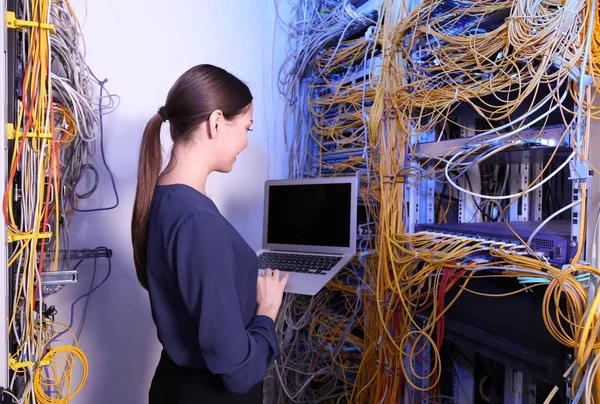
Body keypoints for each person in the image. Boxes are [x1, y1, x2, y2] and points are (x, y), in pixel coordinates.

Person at [131, 64, 289, 403]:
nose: (247, 142)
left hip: (175, 385)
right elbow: (238, 370)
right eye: (247, 127)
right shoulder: (196, 222)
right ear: (216, 122)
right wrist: (268, 309)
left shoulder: (162, 199)